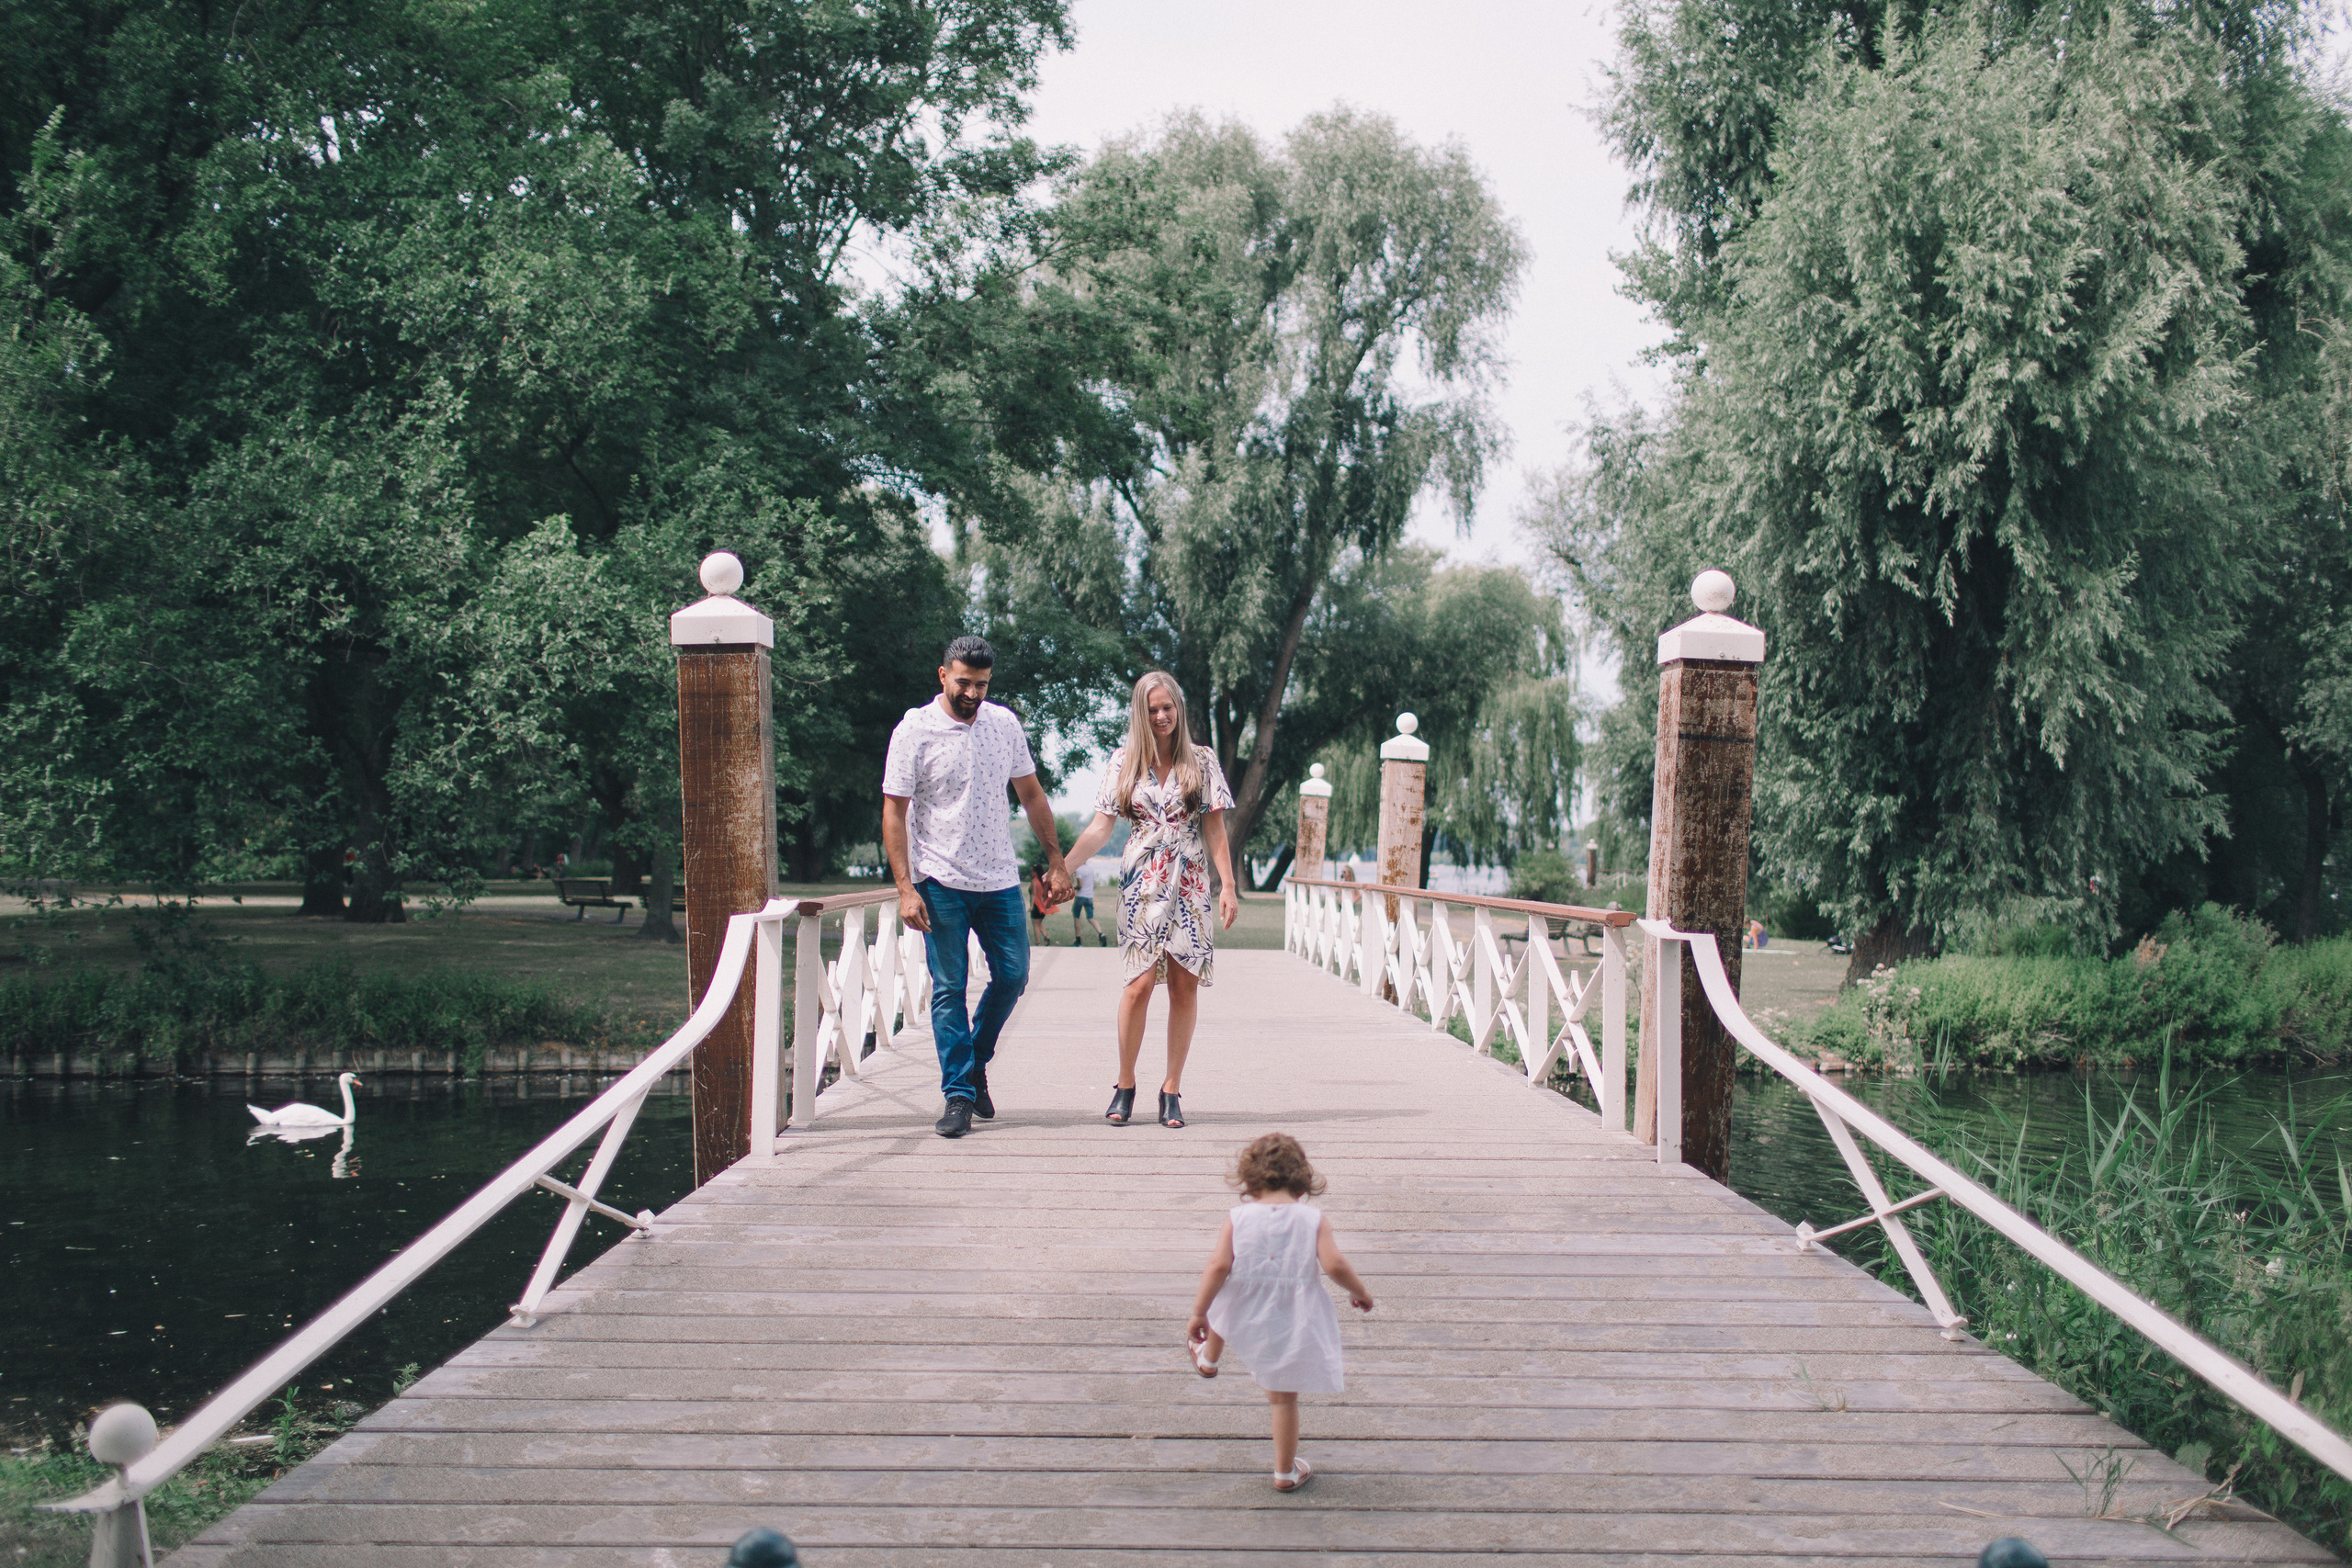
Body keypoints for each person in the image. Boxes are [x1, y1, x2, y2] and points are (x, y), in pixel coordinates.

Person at [881, 635, 1071, 1140]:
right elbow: (894, 812)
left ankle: (974, 1062)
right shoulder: (914, 730)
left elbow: (1031, 796)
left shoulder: (1003, 724)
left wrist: (1056, 862)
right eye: (963, 682)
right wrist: (905, 887)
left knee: (1012, 976)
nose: (972, 693)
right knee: (949, 989)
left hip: (999, 878)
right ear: (942, 675)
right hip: (939, 879)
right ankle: (959, 1096)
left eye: (982, 684)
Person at [1062, 671, 1238, 1129]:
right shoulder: (1124, 760)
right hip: (1141, 879)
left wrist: (1230, 886)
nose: (1161, 716)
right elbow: (1101, 827)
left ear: (1179, 708)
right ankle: (1125, 1083)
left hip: (1192, 878)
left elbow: (1215, 826)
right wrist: (1063, 866)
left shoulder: (1201, 760)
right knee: (1138, 984)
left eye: (1168, 707)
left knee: (1184, 985)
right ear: (1141, 714)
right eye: (1152, 709)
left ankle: (1172, 1089)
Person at [1185, 1134, 1374, 1493]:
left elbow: (1218, 1266)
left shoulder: (1237, 1217)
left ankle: (1209, 1357)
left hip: (1242, 1305)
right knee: (1283, 1398)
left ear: (1249, 1179)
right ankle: (1284, 1473)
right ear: (1303, 1179)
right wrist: (1359, 1291)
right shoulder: (1312, 1219)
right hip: (1292, 1314)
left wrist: (1199, 1313)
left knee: (1230, 1291)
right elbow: (1334, 1264)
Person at [1069, 858, 1106, 947]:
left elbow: (1080, 885)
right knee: (1090, 917)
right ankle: (1101, 933)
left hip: (1080, 896)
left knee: (1076, 917)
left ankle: (1078, 940)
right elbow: (1093, 884)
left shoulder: (1078, 870)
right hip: (1089, 896)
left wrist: (1073, 887)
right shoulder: (1090, 869)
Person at [1028, 863, 1056, 946]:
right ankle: (1046, 937)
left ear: (1035, 872)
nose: (1031, 873)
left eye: (1032, 871)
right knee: (1039, 923)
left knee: (1035, 925)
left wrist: (1031, 906)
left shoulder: (1034, 881)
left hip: (1036, 906)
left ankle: (1038, 942)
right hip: (1043, 906)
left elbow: (1034, 895)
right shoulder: (1043, 881)